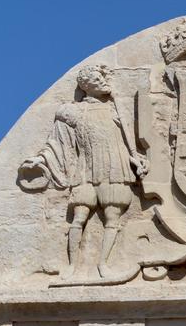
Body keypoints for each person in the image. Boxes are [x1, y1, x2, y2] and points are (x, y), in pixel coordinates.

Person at [19, 64, 148, 279]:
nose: (104, 83)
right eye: (98, 80)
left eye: (103, 79)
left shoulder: (117, 109)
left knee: (112, 218)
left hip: (115, 167)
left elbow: (129, 141)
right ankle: (72, 265)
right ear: (86, 87)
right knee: (79, 217)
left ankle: (104, 265)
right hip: (86, 171)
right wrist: (40, 159)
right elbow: (57, 143)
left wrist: (136, 157)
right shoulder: (74, 112)